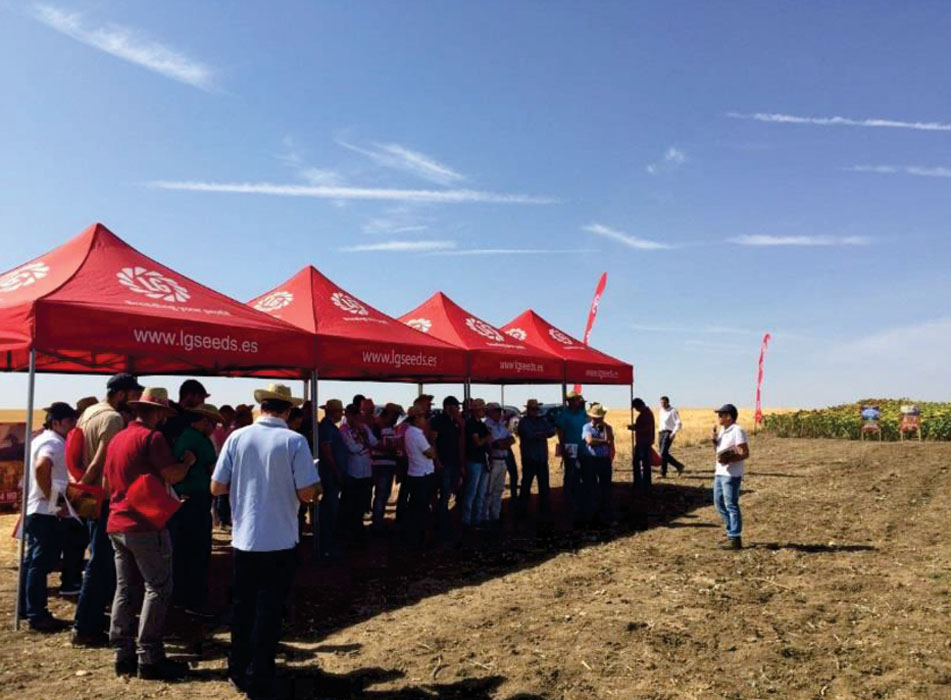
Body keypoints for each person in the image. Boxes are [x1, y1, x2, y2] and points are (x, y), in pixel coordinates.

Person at [211, 383, 319, 697]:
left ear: (262, 407)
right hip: (281, 539)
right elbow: (307, 492)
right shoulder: (294, 441)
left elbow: (216, 486)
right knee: (270, 609)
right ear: (287, 410)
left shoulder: (237, 437)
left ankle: (238, 668)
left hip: (245, 539)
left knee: (243, 607)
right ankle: (261, 672)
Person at [104, 388, 196, 680]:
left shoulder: (119, 437)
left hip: (117, 521)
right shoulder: (151, 438)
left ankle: (123, 652)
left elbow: (107, 479)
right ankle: (150, 656)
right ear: (157, 413)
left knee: (125, 588)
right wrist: (187, 463)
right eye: (164, 413)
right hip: (144, 523)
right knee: (158, 587)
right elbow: (171, 475)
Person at [72, 372, 143, 648]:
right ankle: (85, 626)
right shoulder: (112, 419)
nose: (136, 400)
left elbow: (76, 453)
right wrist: (89, 488)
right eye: (134, 394)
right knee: (100, 564)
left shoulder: (89, 412)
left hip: (89, 496)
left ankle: (91, 619)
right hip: (101, 497)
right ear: (122, 393)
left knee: (98, 560)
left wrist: (79, 490)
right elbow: (101, 463)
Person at [19, 402, 78, 631]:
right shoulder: (53, 442)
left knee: (32, 562)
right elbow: (42, 467)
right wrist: (56, 503)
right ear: (56, 422)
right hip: (45, 512)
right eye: (70, 421)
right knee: (40, 564)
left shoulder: (41, 439)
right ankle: (37, 615)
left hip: (37, 509)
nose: (73, 425)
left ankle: (27, 608)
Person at [169, 403, 221, 619]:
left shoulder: (184, 437)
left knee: (181, 549)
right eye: (214, 423)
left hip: (182, 499)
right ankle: (195, 598)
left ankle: (179, 596)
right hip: (197, 499)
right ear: (205, 421)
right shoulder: (201, 441)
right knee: (198, 549)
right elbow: (214, 469)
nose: (215, 428)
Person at [711, 404, 749, 550]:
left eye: (721, 415)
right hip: (720, 472)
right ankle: (731, 532)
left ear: (729, 417)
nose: (719, 417)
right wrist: (715, 442)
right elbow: (719, 450)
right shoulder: (722, 430)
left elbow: (745, 453)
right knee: (718, 503)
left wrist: (729, 459)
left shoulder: (737, 431)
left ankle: (735, 537)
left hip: (731, 474)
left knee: (731, 505)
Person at [340, 403, 377, 543]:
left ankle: (358, 530)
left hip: (365, 470)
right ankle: (349, 532)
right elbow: (352, 448)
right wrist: (364, 444)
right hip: (352, 471)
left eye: (356, 414)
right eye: (351, 414)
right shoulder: (343, 430)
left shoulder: (364, 428)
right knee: (350, 503)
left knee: (362, 503)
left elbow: (374, 442)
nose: (354, 417)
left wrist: (365, 436)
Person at [430, 396, 465, 543]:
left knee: (452, 493)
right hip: (444, 463)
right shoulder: (437, 421)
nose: (458, 409)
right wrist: (437, 461)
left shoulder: (454, 422)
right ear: (448, 407)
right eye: (456, 406)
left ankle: (447, 524)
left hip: (454, 463)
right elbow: (433, 441)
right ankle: (442, 526)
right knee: (444, 496)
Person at [517, 399, 556, 523]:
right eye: (532, 409)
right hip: (529, 458)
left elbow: (552, 431)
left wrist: (539, 434)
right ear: (528, 410)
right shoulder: (523, 422)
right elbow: (530, 435)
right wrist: (542, 434)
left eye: (536, 409)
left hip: (541, 458)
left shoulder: (541, 420)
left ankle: (544, 511)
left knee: (544, 486)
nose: (535, 411)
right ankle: (522, 511)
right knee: (526, 486)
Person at [317, 399, 347, 559]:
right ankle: (325, 547)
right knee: (329, 511)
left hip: (330, 474)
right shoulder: (327, 429)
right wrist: (337, 472)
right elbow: (327, 451)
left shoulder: (329, 428)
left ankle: (327, 545)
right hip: (329, 475)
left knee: (330, 510)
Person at [402, 406, 436, 546]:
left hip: (416, 473)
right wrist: (433, 442)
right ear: (416, 418)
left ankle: (415, 537)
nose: (425, 420)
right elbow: (430, 453)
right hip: (422, 474)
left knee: (416, 507)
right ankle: (418, 539)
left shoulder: (410, 432)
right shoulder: (416, 434)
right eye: (423, 417)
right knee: (420, 508)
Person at [555, 391, 588, 520]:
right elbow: (559, 430)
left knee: (583, 472)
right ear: (570, 401)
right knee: (570, 472)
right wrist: (562, 446)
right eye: (576, 400)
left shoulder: (582, 413)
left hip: (583, 446)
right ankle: (568, 498)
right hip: (570, 446)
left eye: (579, 400)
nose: (578, 402)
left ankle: (580, 496)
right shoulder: (564, 415)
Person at [482, 403, 515, 528]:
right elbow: (494, 444)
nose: (499, 413)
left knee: (498, 490)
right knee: (488, 490)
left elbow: (512, 439)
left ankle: (495, 516)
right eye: (496, 411)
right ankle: (485, 517)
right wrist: (505, 442)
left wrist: (504, 442)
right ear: (489, 412)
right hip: (493, 460)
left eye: (499, 411)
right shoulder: (487, 425)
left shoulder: (501, 425)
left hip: (502, 460)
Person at [370, 403, 402, 531]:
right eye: (395, 414)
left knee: (381, 494)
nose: (396, 417)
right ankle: (378, 524)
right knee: (382, 495)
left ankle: (378, 521)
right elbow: (382, 445)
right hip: (383, 464)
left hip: (379, 463)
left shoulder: (378, 425)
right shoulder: (383, 426)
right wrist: (394, 447)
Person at [581, 403, 615, 526]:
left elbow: (610, 441)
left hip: (604, 460)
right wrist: (604, 441)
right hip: (591, 459)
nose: (598, 419)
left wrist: (605, 430)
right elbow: (589, 441)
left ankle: (605, 513)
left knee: (605, 487)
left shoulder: (608, 428)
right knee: (591, 487)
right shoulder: (586, 427)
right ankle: (591, 514)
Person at [460, 399, 490, 528]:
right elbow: (478, 442)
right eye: (482, 409)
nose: (483, 411)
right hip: (474, 461)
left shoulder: (479, 424)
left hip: (481, 460)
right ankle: (467, 520)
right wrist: (488, 437)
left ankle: (476, 519)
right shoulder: (471, 424)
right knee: (472, 491)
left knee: (480, 492)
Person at [161, 379, 210, 446]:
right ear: (189, 395)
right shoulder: (168, 413)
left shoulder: (196, 417)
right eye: (200, 397)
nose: (203, 402)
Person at [630, 398, 655, 491]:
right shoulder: (646, 413)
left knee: (641, 463)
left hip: (643, 442)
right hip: (643, 442)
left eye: (636, 408)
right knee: (643, 463)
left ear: (639, 406)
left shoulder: (646, 414)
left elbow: (647, 429)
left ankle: (641, 484)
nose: (636, 410)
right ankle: (644, 483)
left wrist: (635, 429)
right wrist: (635, 427)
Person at [657, 396, 686, 478]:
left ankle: (663, 473)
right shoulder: (661, 411)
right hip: (661, 433)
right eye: (661, 402)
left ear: (668, 402)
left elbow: (678, 423)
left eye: (664, 402)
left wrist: (673, 433)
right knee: (663, 453)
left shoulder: (673, 411)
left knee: (663, 453)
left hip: (668, 433)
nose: (662, 404)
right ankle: (678, 466)